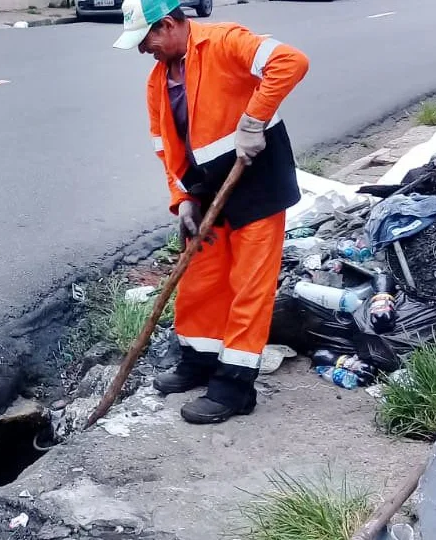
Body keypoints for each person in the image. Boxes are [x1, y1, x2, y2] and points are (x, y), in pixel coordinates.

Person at [113, 0, 309, 424]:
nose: (145, 50)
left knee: (248, 287)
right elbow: (165, 147)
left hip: (256, 184)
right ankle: (198, 362)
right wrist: (182, 198)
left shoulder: (225, 41)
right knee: (201, 283)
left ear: (166, 25)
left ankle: (234, 387)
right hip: (205, 192)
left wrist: (254, 120)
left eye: (146, 40)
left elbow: (291, 62)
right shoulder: (158, 81)